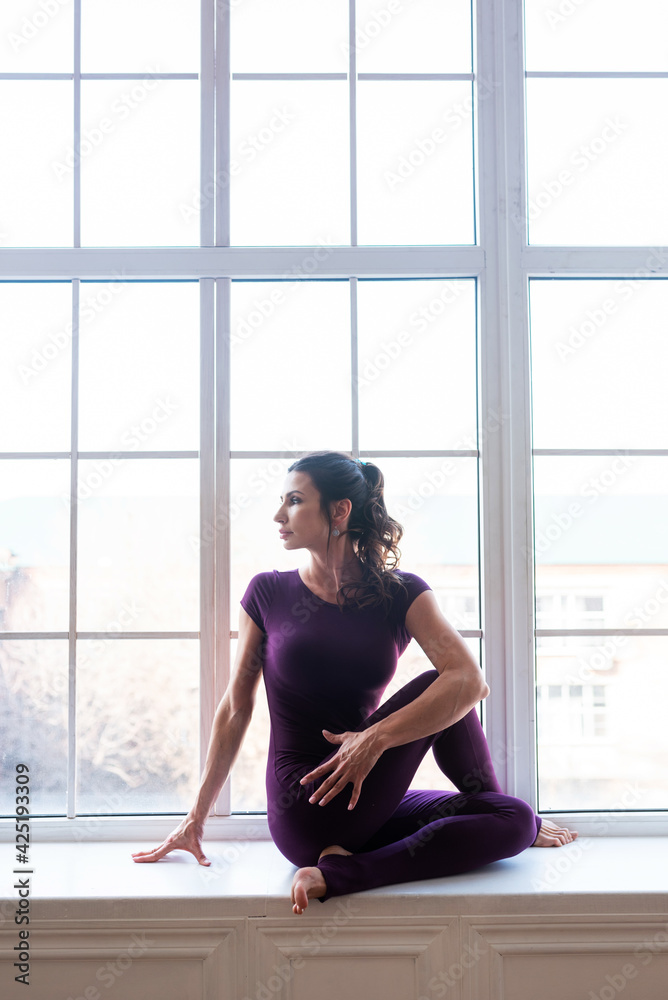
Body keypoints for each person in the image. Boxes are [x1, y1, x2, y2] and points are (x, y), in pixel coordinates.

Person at [132, 450, 577, 914]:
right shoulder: (268, 592)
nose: (279, 515)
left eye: (295, 501)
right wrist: (195, 818)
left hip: (365, 796)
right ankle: (345, 869)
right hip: (304, 802)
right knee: (440, 686)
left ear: (339, 510)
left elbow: (471, 683)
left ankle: (345, 865)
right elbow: (235, 707)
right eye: (282, 501)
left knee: (514, 816)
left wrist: (373, 740)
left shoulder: (400, 593)